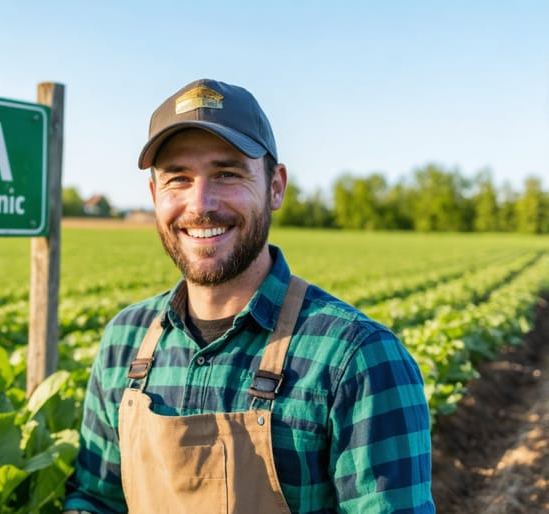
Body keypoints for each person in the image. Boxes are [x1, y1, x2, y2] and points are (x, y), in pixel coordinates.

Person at [62, 79, 434, 513]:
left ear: (275, 186)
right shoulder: (125, 340)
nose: (200, 204)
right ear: (154, 196)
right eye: (178, 179)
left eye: (227, 173)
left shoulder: (358, 357)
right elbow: (95, 499)